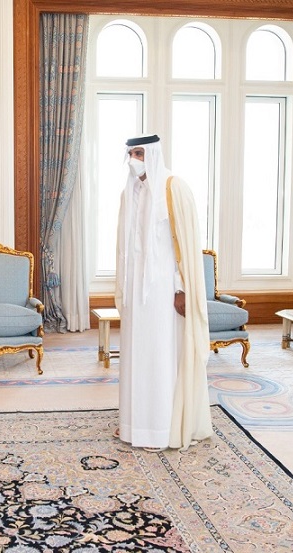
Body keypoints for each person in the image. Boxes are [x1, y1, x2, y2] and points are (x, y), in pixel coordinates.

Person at [114, 134, 212, 450]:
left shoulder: (174, 188)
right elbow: (125, 249)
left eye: (140, 153)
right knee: (135, 357)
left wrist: (181, 288)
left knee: (160, 356)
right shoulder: (129, 193)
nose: (134, 159)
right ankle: (134, 426)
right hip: (136, 294)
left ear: (153, 154)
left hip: (163, 294)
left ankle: (160, 429)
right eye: (131, 154)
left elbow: (185, 245)